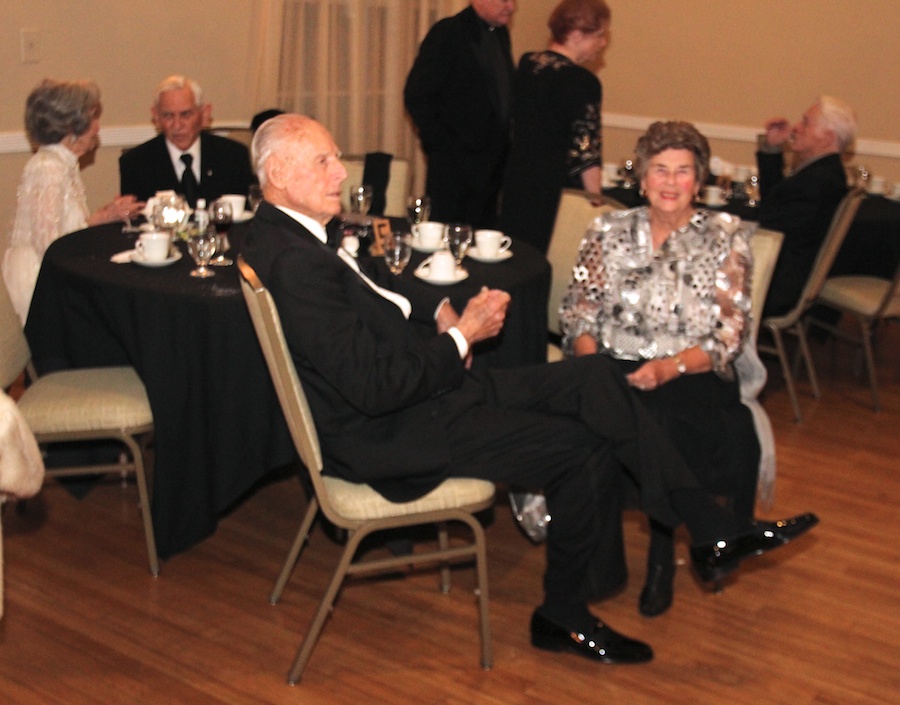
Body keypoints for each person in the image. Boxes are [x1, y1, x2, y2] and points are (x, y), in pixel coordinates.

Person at [240, 113, 818, 663]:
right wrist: (464, 338)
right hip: (397, 429)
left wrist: (441, 308)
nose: (341, 172)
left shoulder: (294, 237)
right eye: (324, 161)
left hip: (427, 397)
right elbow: (371, 387)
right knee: (581, 447)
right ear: (281, 176)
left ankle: (710, 526)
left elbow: (380, 283)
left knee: (593, 377)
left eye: (336, 158)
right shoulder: (297, 262)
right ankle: (564, 613)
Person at [560, 121, 768, 617]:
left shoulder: (726, 238)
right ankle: (694, 534)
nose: (670, 182)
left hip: (690, 371)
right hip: (612, 366)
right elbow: (577, 313)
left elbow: (728, 336)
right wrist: (596, 372)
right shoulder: (607, 231)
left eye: (683, 172)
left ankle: (659, 557)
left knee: (664, 419)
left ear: (699, 182)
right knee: (613, 414)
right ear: (642, 178)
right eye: (660, 170)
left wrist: (669, 368)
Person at [2, 79, 143, 325]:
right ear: (72, 126)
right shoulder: (49, 169)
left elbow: (63, 229)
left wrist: (106, 215)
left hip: (48, 277)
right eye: (92, 119)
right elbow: (50, 248)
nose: (98, 128)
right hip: (39, 287)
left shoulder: (60, 164)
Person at [499, 0, 610, 254]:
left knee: (516, 256)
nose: (603, 43)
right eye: (600, 35)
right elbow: (586, 151)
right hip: (554, 193)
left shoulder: (528, 64)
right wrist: (596, 204)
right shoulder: (583, 82)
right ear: (576, 34)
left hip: (517, 183)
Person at [404, 1, 516, 229]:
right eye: (504, 0)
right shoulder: (448, 32)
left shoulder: (501, 34)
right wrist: (441, 146)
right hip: (454, 170)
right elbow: (417, 95)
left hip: (491, 170)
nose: (511, 7)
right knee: (447, 243)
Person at [756, 96, 857, 317]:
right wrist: (773, 148)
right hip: (788, 275)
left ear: (827, 137)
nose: (796, 128)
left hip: (778, 284)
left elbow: (767, 222)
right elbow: (775, 202)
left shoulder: (815, 183)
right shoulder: (826, 173)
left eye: (806, 123)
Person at [119, 75, 254, 209]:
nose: (177, 125)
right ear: (156, 117)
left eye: (185, 115)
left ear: (205, 115)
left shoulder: (233, 156)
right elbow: (132, 224)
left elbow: (248, 219)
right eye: (168, 116)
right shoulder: (135, 164)